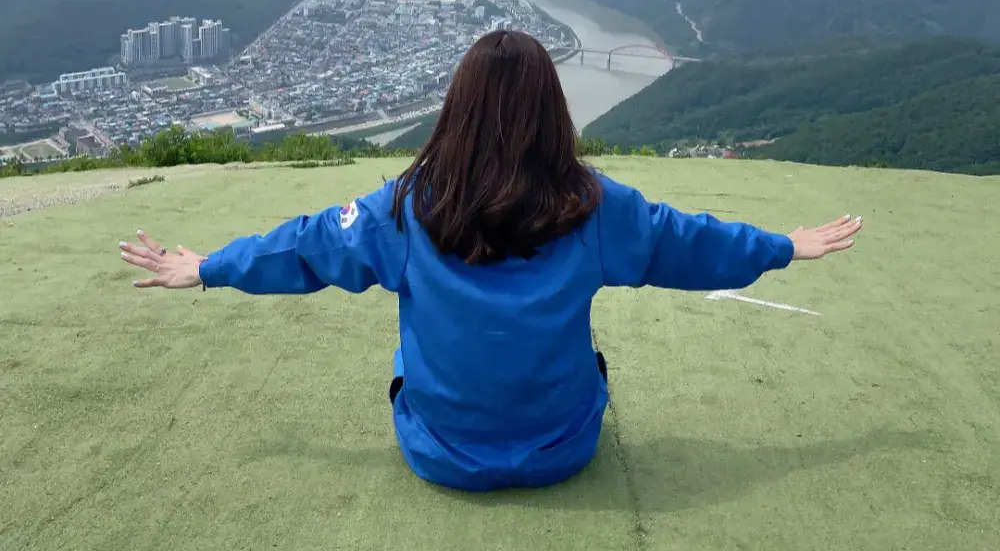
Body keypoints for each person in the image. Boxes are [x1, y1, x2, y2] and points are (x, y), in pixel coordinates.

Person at [118, 29, 862, 492]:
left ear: (458, 109)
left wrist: (210, 266)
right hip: (566, 448)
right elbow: (692, 242)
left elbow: (309, 244)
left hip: (439, 454)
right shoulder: (596, 207)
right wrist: (784, 246)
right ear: (552, 112)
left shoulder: (404, 209)